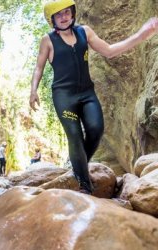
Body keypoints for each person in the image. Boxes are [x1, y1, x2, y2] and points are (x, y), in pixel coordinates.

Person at [29, 0, 158, 194]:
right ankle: (84, 185)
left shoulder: (85, 31)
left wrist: (142, 34)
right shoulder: (48, 40)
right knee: (75, 136)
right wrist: (33, 90)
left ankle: (78, 166)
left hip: (87, 93)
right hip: (63, 96)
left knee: (96, 130)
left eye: (67, 12)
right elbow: (39, 67)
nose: (64, 17)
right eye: (59, 14)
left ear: (72, 13)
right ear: (52, 19)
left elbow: (110, 51)